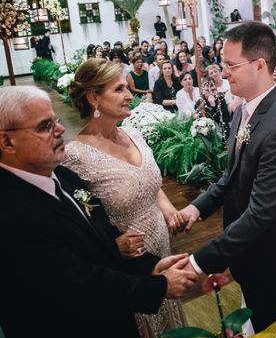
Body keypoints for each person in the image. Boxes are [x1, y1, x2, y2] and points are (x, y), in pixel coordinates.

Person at [0, 86, 196, 338]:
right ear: (6, 142)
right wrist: (159, 286)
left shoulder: (64, 176)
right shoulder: (1, 217)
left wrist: (150, 266)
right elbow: (77, 285)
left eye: (55, 120)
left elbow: (104, 239)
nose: (60, 129)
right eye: (45, 126)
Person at [178, 22, 276, 332]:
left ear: (260, 65)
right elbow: (232, 176)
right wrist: (197, 208)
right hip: (250, 254)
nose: (224, 74)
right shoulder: (244, 109)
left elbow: (261, 212)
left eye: (230, 65)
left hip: (275, 260)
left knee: (275, 328)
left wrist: (200, 261)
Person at [63, 60, 188, 336]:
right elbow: (78, 224)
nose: (130, 94)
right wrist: (110, 246)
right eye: (119, 89)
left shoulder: (132, 133)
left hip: (161, 244)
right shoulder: (75, 156)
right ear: (93, 97)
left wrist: (168, 210)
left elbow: (149, 183)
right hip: (129, 263)